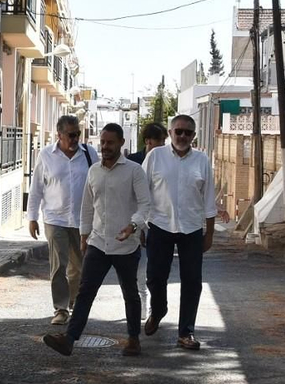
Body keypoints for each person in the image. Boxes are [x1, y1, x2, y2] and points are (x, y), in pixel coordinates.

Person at [42, 122, 149, 357]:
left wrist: (133, 226)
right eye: (102, 142)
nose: (105, 146)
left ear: (121, 143)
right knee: (85, 291)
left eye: (110, 142)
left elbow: (145, 205)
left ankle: (133, 338)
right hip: (98, 242)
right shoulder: (94, 171)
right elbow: (87, 207)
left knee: (130, 293)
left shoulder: (134, 171)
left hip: (126, 245)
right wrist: (84, 235)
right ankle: (69, 339)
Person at [141, 113, 217, 349]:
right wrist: (140, 225)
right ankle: (159, 308)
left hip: (191, 228)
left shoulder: (202, 160)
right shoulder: (155, 156)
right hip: (159, 225)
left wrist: (210, 233)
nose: (183, 136)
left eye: (188, 132)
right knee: (155, 276)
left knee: (192, 281)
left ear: (193, 136)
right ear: (170, 133)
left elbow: (209, 199)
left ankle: (186, 332)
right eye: (178, 131)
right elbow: (142, 192)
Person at [27, 115, 97, 325]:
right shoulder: (46, 155)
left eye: (78, 134)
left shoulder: (89, 154)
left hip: (82, 221)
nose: (76, 138)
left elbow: (98, 183)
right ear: (59, 135)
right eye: (71, 135)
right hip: (54, 218)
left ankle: (74, 301)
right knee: (58, 266)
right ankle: (60, 308)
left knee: (79, 267)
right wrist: (32, 218)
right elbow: (36, 188)